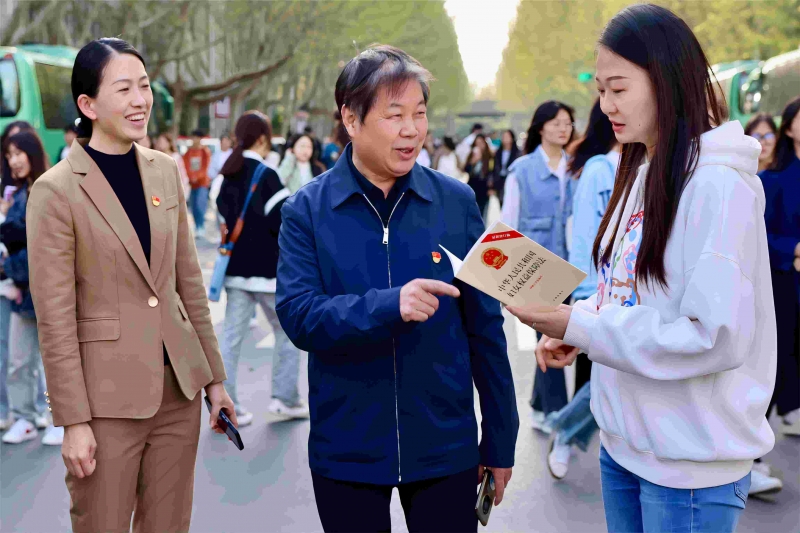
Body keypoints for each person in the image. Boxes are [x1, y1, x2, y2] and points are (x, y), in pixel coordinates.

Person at [507, 5, 776, 532]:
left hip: (689, 467)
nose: (603, 105)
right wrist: (584, 330)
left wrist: (582, 325)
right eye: (600, 89)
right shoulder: (641, 170)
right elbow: (627, 294)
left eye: (618, 88)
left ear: (667, 81)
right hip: (625, 445)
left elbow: (713, 335)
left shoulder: (718, 185)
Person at [276, 45, 518, 533]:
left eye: (420, 114)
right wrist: (390, 304)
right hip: (347, 450)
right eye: (395, 115)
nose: (412, 130)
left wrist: (499, 438)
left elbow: (486, 328)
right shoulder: (306, 210)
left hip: (444, 447)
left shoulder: (456, 203)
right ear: (350, 117)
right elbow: (300, 315)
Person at [26, 38, 235, 533]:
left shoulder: (164, 170)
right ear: (88, 105)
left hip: (178, 394)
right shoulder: (55, 190)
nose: (140, 100)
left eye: (144, 86)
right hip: (104, 403)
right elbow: (54, 319)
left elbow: (188, 283)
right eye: (124, 89)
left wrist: (215, 380)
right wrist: (72, 422)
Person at [546, 98, 620, 479]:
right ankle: (563, 430)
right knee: (603, 381)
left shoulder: (651, 165)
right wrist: (583, 293)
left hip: (635, 290)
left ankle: (564, 426)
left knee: (615, 379)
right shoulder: (598, 168)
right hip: (599, 288)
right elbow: (586, 233)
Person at [215, 111, 305, 426]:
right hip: (268, 273)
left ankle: (227, 407)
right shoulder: (266, 174)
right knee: (287, 334)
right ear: (263, 138)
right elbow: (283, 223)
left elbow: (222, 221)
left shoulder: (226, 174)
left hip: (235, 271)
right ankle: (285, 399)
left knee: (231, 339)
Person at [501, 100, 575, 433]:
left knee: (557, 336)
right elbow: (507, 223)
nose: (564, 128)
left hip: (572, 265)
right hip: (536, 268)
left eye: (568, 123)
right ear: (541, 127)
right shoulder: (522, 170)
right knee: (551, 334)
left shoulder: (577, 168)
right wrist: (505, 281)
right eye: (557, 122)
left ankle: (538, 405)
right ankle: (558, 413)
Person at [0, 131, 63, 446]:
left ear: (32, 152)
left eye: (17, 153)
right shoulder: (22, 191)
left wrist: (7, 267)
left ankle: (60, 419)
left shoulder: (47, 188)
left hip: (47, 292)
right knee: (20, 360)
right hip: (24, 293)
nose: (13, 160)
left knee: (54, 361)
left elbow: (44, 247)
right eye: (9, 155)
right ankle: (25, 418)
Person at [183, 128, 212, 238]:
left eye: (196, 137)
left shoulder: (205, 151)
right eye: (192, 137)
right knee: (193, 206)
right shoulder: (188, 152)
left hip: (202, 183)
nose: (194, 140)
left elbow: (206, 166)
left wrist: (198, 177)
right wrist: (191, 177)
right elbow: (185, 165)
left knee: (200, 205)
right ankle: (197, 226)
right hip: (192, 183)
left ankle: (201, 226)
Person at [463, 133, 493, 219]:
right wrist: (474, 161)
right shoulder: (472, 155)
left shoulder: (489, 157)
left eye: (481, 143)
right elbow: (466, 170)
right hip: (472, 186)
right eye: (477, 143)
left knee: (482, 212)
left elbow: (491, 173)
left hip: (484, 188)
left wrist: (491, 187)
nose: (479, 145)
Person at [155, 132, 190, 198]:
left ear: (169, 143)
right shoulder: (156, 157)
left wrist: (184, 190)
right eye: (159, 142)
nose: (160, 144)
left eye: (163, 142)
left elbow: (182, 174)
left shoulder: (176, 157)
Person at [492, 129, 520, 205]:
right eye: (503, 137)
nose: (505, 138)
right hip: (500, 181)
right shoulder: (498, 153)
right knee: (501, 203)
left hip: (512, 181)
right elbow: (494, 168)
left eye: (507, 136)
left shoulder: (518, 153)